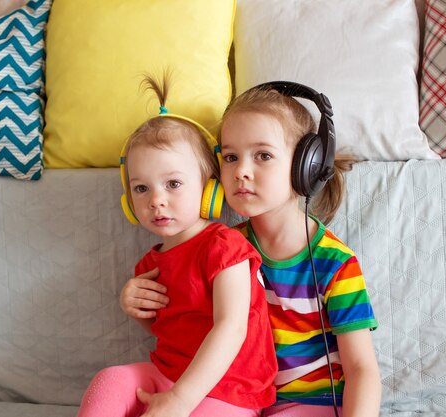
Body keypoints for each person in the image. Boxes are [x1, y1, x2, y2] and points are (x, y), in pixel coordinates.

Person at [120, 82, 382, 417]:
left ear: (307, 166)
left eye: (263, 156)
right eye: (230, 157)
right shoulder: (224, 249)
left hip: (316, 404)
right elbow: (187, 328)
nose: (241, 171)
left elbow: (362, 369)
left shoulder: (335, 264)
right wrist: (138, 304)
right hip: (241, 403)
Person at [76, 75, 277, 417]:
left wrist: (182, 400)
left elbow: (232, 325)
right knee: (110, 379)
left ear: (209, 190)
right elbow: (166, 329)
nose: (156, 200)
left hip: (228, 389)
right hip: (166, 375)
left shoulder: (225, 246)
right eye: (141, 189)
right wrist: (134, 306)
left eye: (173, 184)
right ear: (129, 203)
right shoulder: (148, 266)